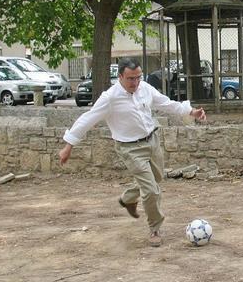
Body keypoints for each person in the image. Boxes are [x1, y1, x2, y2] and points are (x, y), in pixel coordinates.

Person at [58, 58, 206, 247]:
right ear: (120, 76)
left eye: (138, 77)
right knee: (151, 190)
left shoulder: (145, 88)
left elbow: (166, 103)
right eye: (130, 79)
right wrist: (69, 145)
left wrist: (191, 111)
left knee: (157, 178)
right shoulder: (110, 98)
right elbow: (87, 119)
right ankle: (155, 229)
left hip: (152, 140)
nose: (135, 82)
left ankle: (128, 198)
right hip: (130, 148)